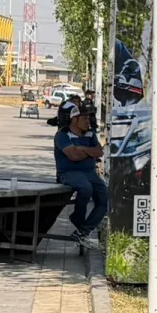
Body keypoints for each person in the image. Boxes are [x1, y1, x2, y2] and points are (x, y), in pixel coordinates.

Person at [53, 103, 107, 250]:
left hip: (90, 173)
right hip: (69, 173)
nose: (88, 121)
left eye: (89, 118)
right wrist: (87, 152)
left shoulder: (90, 135)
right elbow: (73, 156)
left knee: (104, 200)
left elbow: (99, 152)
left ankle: (82, 231)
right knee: (85, 188)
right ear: (74, 120)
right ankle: (77, 217)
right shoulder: (62, 135)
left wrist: (82, 149)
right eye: (84, 118)